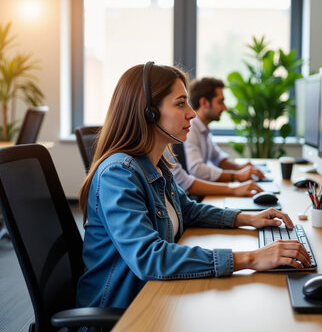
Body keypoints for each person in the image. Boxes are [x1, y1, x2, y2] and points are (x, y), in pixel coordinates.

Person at [77, 62, 310, 309]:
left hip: (156, 297)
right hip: (124, 312)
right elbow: (150, 258)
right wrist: (250, 258)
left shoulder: (156, 165)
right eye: (180, 103)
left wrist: (248, 218)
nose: (192, 113)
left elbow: (189, 210)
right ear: (149, 113)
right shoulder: (119, 174)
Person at [185, 77, 265, 183]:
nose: (225, 108)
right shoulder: (190, 128)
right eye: (220, 102)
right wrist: (237, 175)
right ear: (204, 103)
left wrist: (241, 167)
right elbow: (196, 169)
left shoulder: (204, 129)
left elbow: (219, 159)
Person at [166, 151, 263, 197]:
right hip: (196, 196)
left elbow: (219, 159)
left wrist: (239, 168)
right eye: (180, 108)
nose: (192, 114)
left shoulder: (204, 129)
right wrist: (236, 177)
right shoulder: (192, 129)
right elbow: (195, 171)